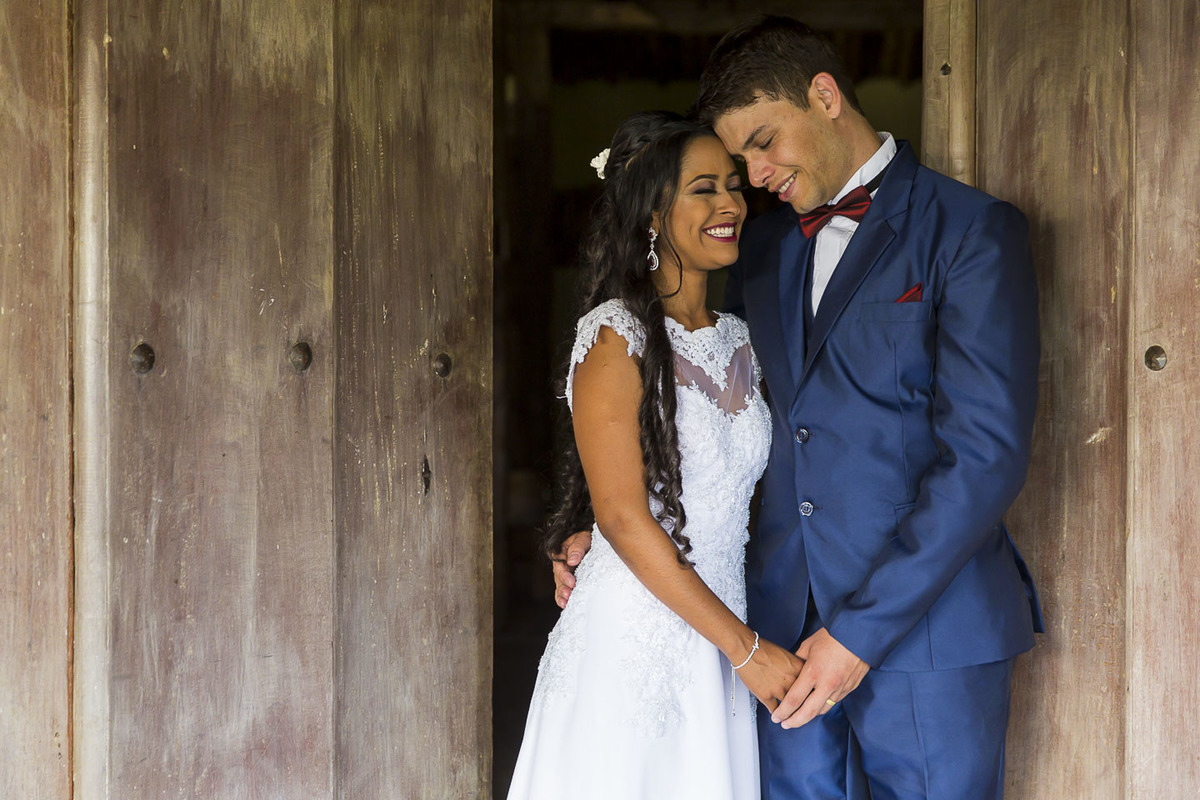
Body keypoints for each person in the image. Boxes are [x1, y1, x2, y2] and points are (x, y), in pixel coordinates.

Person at [554, 17, 1043, 800]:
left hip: (930, 635)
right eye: (735, 160)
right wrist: (607, 523)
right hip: (775, 634)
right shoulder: (764, 254)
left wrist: (857, 633)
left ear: (823, 96)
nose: (751, 175)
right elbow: (713, 417)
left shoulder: (971, 232)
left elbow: (985, 456)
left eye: (760, 141)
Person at [507, 111, 802, 800]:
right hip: (638, 641)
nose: (731, 203)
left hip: (721, 634)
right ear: (651, 215)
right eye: (705, 189)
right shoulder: (614, 337)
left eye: (733, 185)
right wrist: (748, 651)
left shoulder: (743, 341)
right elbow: (624, 517)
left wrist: (738, 647)